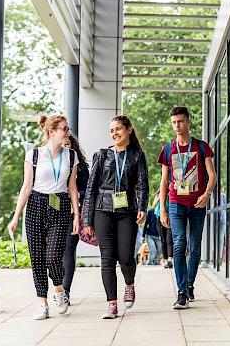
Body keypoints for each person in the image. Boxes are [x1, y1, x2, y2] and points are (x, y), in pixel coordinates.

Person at [7, 115, 80, 320]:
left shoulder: (71, 156)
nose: (67, 132)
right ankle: (42, 302)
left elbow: (72, 187)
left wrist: (77, 214)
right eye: (64, 129)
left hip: (61, 204)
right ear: (51, 131)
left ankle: (59, 290)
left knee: (53, 256)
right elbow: (26, 187)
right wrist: (15, 217)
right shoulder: (34, 155)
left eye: (67, 128)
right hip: (37, 204)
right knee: (37, 258)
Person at [82, 115, 149, 319]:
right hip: (103, 211)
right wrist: (87, 219)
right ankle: (111, 304)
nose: (115, 133)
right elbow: (91, 188)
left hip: (127, 212)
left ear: (129, 129)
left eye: (118, 129)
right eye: (112, 130)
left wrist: (142, 207)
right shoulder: (101, 155)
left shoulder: (137, 156)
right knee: (107, 259)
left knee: (126, 256)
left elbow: (142, 185)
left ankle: (129, 284)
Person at [158, 106, 216, 309]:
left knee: (195, 246)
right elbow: (164, 181)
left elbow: (212, 175)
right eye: (174, 122)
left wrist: (207, 194)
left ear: (188, 121)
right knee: (179, 244)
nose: (177, 126)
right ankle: (182, 291)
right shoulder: (167, 149)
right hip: (176, 203)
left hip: (198, 203)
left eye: (180, 121)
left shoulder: (201, 147)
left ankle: (190, 284)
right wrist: (163, 209)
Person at [62, 133, 90, 305]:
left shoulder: (81, 168)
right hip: (53, 212)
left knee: (68, 251)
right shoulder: (49, 164)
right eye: (63, 145)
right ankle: (58, 285)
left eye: (68, 146)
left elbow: (89, 192)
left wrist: (76, 194)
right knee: (53, 254)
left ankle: (65, 291)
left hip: (73, 214)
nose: (65, 148)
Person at [152, 189, 174, 268]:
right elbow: (153, 206)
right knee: (163, 239)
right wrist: (158, 198)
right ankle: (165, 259)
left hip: (170, 217)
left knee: (169, 239)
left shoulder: (171, 193)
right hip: (159, 218)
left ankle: (170, 259)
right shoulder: (158, 194)